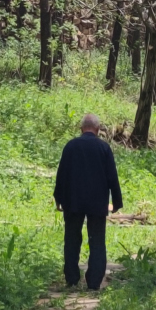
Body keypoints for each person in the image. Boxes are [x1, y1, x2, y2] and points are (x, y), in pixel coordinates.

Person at [52, 113, 123, 290]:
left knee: (71, 238)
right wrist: (116, 201)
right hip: (97, 202)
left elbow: (61, 174)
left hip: (73, 200)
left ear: (81, 128)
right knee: (97, 240)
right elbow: (112, 177)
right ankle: (94, 282)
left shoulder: (71, 146)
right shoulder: (104, 148)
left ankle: (72, 278)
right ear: (98, 130)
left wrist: (58, 198)